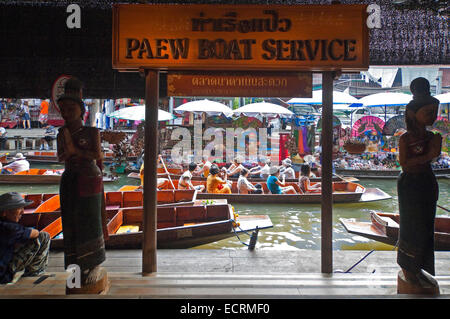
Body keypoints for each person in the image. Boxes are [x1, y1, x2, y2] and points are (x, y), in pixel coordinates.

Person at [56, 80, 109, 294]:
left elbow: (97, 155)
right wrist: (70, 149)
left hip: (89, 178)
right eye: (64, 110)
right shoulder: (62, 133)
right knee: (71, 224)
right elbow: (62, 156)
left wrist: (74, 151)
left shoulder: (91, 132)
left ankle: (93, 264)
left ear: (81, 110)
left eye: (71, 109)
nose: (67, 113)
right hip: (70, 179)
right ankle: (75, 272)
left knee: (91, 221)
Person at [397, 77, 442, 289]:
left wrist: (433, 152)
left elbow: (432, 156)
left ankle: (421, 266)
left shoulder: (433, 136)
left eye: (434, 112)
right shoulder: (405, 139)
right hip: (410, 184)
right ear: (414, 114)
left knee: (426, 226)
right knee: (411, 225)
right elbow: (405, 164)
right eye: (428, 113)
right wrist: (429, 155)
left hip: (427, 181)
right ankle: (408, 266)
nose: (433, 117)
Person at [0, 192, 50, 284]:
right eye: (19, 208)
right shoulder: (10, 228)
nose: (23, 212)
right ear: (4, 213)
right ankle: (34, 273)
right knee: (43, 236)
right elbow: (35, 233)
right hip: (3, 276)